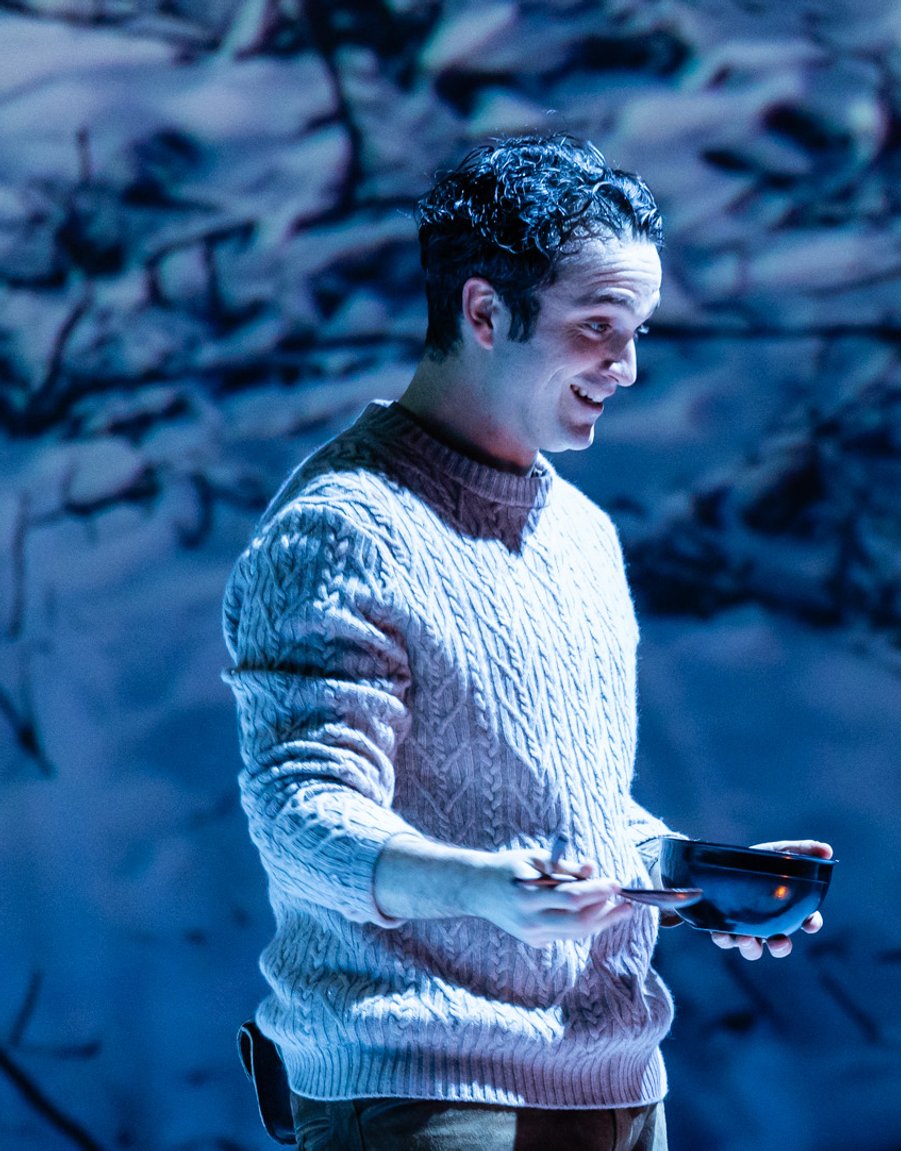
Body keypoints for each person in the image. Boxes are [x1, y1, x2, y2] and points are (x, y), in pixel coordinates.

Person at [223, 133, 829, 1151]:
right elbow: (299, 811)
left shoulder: (579, 532)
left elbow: (549, 815)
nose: (626, 367)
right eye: (597, 327)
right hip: (421, 1088)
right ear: (484, 311)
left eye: (636, 332)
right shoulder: (343, 528)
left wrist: (681, 870)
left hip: (616, 1085)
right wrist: (479, 888)